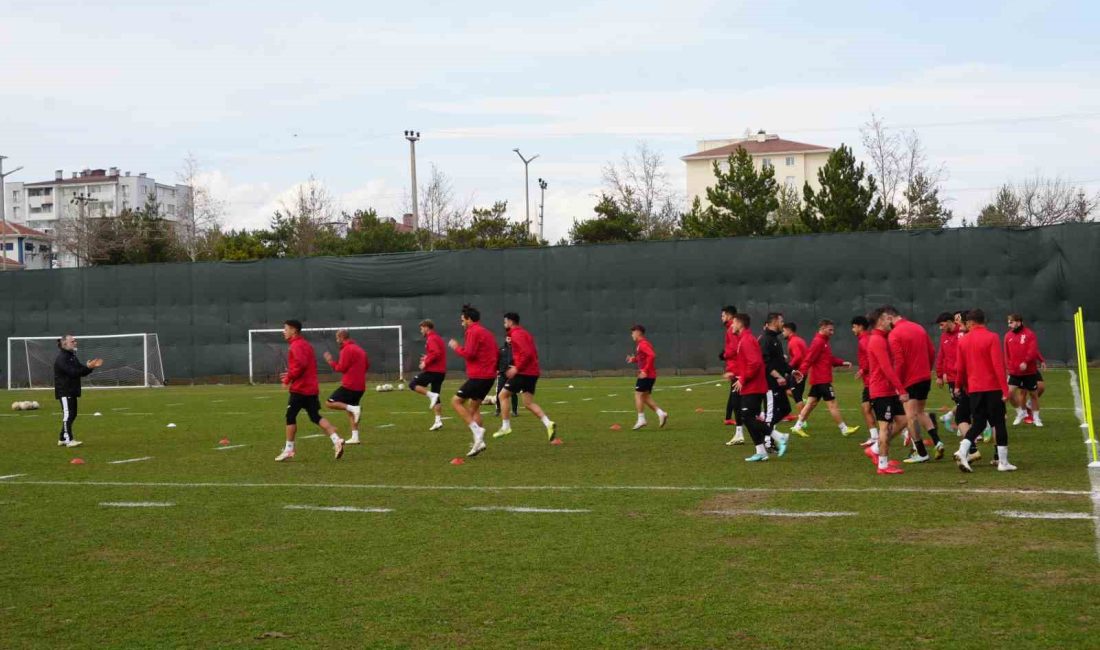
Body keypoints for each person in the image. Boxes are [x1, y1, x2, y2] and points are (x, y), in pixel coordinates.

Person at [276, 320, 345, 462]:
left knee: (290, 416)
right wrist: (290, 374)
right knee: (315, 416)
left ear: (294, 330)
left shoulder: (296, 345)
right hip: (311, 388)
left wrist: (288, 378)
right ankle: (336, 439)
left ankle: (289, 449)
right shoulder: (306, 345)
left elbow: (301, 365)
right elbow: (303, 365)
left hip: (301, 389)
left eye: (286, 329)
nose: (283, 331)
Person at [955, 309, 1014, 472]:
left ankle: (962, 450)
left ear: (971, 323)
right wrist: (1005, 389)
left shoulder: (963, 341)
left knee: (979, 423)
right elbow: (998, 365)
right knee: (999, 422)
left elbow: (960, 368)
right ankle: (1003, 462)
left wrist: (958, 386)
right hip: (992, 388)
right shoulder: (992, 337)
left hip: (974, 389)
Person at [881, 305, 941, 463]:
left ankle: (921, 453)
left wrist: (897, 384)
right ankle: (937, 441)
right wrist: (926, 369)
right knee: (920, 412)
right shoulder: (918, 327)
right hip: (924, 378)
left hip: (909, 380)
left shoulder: (894, 334)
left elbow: (899, 361)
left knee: (911, 417)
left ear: (889, 318)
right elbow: (932, 350)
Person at [494, 312, 557, 441]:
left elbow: (527, 353)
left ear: (511, 322)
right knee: (528, 403)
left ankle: (506, 426)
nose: (504, 324)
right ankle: (548, 423)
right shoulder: (525, 333)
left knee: (502, 395)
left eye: (505, 322)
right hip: (532, 373)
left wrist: (517, 368)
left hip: (524, 373)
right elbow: (533, 353)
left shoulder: (517, 334)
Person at [790, 320, 858, 437]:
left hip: (819, 380)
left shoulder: (823, 342)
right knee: (832, 404)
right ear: (822, 328)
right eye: (830, 329)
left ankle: (797, 426)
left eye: (833, 330)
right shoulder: (818, 342)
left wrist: (842, 362)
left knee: (810, 404)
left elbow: (829, 359)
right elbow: (809, 359)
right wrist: (801, 373)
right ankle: (844, 429)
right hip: (822, 380)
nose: (832, 332)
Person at [449, 305, 499, 458]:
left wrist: (456, 347)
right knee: (473, 408)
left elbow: (469, 354)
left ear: (469, 319)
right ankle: (479, 442)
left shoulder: (472, 331)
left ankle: (478, 432)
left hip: (479, 376)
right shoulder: (486, 332)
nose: (461, 323)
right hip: (489, 376)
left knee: (455, 402)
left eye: (462, 320)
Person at [863, 308, 908, 475]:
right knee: (885, 428)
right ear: (880, 322)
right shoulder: (877, 340)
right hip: (881, 391)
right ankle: (882, 465)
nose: (891, 322)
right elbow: (887, 368)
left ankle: (875, 449)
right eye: (888, 319)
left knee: (903, 421)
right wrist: (901, 389)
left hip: (888, 390)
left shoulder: (882, 338)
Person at [730, 314, 778, 461]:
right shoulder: (745, 339)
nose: (732, 326)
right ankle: (761, 451)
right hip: (752, 385)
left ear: (740, 324)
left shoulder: (747, 340)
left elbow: (755, 363)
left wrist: (743, 379)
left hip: (754, 386)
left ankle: (779, 436)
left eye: (733, 323)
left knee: (747, 417)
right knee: (750, 418)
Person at [53, 334, 103, 448]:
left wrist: (90, 367)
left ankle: (62, 438)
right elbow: (73, 372)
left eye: (75, 341)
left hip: (72, 390)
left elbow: (81, 371)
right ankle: (68, 440)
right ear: (65, 343)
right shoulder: (62, 358)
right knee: (68, 415)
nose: (75, 343)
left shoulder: (72, 356)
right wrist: (88, 367)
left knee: (72, 414)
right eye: (72, 341)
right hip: (65, 391)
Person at [323, 329, 369, 445]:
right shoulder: (360, 349)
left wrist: (330, 362)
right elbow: (367, 365)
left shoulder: (347, 349)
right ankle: (355, 437)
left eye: (337, 338)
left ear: (341, 337)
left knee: (329, 402)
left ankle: (354, 409)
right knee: (351, 411)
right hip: (360, 385)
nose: (336, 340)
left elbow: (341, 368)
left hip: (350, 385)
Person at [757, 312, 793, 456]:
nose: (783, 323)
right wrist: (778, 376)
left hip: (777, 383)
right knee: (771, 414)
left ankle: (764, 427)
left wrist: (792, 371)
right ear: (774, 322)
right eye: (781, 321)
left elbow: (780, 362)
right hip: (769, 383)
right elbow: (765, 364)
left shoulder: (775, 339)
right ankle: (767, 442)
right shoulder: (765, 339)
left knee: (785, 409)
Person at [1005, 314, 1045, 427]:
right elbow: (1007, 354)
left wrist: (1026, 362)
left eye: (1011, 322)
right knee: (1009, 393)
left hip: (1029, 372)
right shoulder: (1008, 336)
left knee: (1033, 395)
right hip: (1015, 372)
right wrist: (1008, 367)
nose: (1009, 325)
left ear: (1019, 322)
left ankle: (1036, 418)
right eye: (1008, 322)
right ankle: (1020, 412)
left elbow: (1032, 350)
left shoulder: (1029, 334)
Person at [627, 325, 668, 430]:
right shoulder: (641, 344)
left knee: (638, 395)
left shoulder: (643, 344)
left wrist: (644, 370)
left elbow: (652, 355)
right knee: (645, 397)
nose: (631, 335)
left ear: (638, 332)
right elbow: (643, 357)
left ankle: (641, 419)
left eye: (632, 332)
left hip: (646, 375)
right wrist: (634, 359)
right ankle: (661, 413)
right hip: (650, 375)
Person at [409, 319, 446, 431]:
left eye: (421, 328)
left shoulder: (431, 338)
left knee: (412, 384)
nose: (421, 331)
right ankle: (438, 421)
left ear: (426, 327)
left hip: (434, 371)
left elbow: (436, 353)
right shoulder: (437, 338)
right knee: (437, 397)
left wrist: (426, 362)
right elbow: (437, 353)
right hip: (440, 372)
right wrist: (427, 357)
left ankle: (431, 396)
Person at [851, 316, 879, 448]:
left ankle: (906, 431)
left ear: (860, 326)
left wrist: (863, 370)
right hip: (870, 380)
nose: (853, 330)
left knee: (873, 409)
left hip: (872, 381)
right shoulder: (865, 338)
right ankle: (874, 436)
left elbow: (871, 357)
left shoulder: (864, 340)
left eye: (854, 327)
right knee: (866, 408)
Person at [720, 305, 744, 445]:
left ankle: (775, 435)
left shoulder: (731, 329)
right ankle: (739, 433)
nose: (722, 318)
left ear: (730, 316)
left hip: (738, 371)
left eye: (723, 315)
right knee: (739, 402)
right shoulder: (733, 329)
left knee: (740, 404)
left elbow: (736, 349)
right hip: (737, 370)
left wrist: (733, 370)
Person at [782, 322, 808, 422]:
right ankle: (801, 401)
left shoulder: (793, 341)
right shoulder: (798, 340)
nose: (782, 333)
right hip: (798, 371)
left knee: (797, 396)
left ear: (789, 330)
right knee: (783, 388)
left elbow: (798, 357)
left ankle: (802, 422)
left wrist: (788, 368)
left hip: (799, 373)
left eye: (784, 331)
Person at [494, 336, 519, 418]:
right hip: (502, 373)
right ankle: (498, 410)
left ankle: (514, 411)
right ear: (505, 339)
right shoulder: (501, 349)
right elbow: (497, 360)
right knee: (499, 391)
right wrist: (497, 369)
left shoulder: (516, 349)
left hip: (512, 374)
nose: (509, 339)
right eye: (508, 338)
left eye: (511, 338)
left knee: (513, 392)